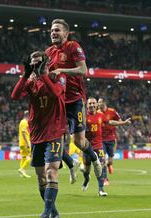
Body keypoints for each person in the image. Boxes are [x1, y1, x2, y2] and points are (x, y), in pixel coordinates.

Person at [11, 51, 66, 218]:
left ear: (47, 62)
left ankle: (45, 215)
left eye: (38, 63)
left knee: (51, 173)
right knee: (41, 178)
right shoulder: (31, 81)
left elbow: (56, 93)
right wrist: (26, 75)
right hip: (36, 134)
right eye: (32, 64)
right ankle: (54, 213)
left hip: (54, 132)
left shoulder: (57, 76)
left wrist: (43, 74)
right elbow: (15, 96)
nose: (35, 66)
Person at [45, 19, 102, 179]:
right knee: (53, 136)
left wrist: (61, 70)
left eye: (57, 30)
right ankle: (70, 163)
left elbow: (83, 70)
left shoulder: (73, 46)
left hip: (75, 99)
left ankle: (94, 158)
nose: (53, 33)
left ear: (66, 33)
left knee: (79, 141)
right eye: (51, 30)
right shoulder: (48, 52)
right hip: (58, 101)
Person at [98, 98, 131, 185]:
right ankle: (105, 178)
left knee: (110, 161)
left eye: (100, 102)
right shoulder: (97, 113)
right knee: (102, 160)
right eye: (98, 102)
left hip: (111, 139)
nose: (98, 104)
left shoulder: (112, 112)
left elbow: (119, 120)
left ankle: (109, 165)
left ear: (104, 102)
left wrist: (124, 123)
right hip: (101, 139)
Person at [81, 97, 107, 196]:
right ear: (87, 105)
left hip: (99, 145)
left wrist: (122, 123)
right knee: (87, 169)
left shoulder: (101, 115)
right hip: (87, 147)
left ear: (97, 105)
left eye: (93, 103)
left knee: (101, 164)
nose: (92, 105)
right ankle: (87, 178)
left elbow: (109, 122)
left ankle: (101, 189)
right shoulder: (84, 117)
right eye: (90, 103)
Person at [18, 110, 32, 178]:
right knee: (31, 156)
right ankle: (22, 169)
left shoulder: (22, 122)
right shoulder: (24, 122)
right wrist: (28, 143)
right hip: (25, 143)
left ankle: (22, 173)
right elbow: (24, 133)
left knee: (23, 157)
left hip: (22, 143)